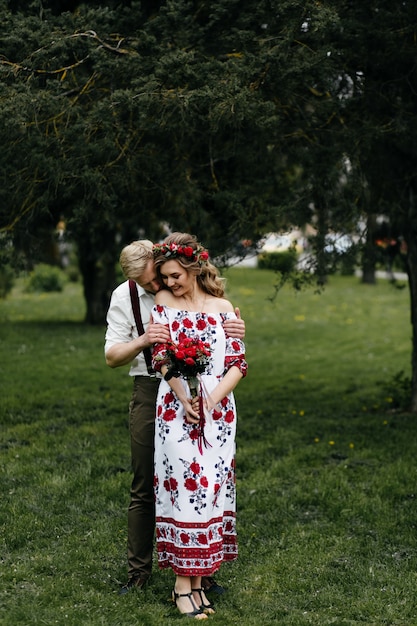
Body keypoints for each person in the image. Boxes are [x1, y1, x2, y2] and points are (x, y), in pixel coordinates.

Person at [104, 239, 245, 595]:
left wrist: (235, 330)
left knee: (200, 477)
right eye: (149, 284)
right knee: (144, 484)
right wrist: (143, 340)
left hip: (198, 390)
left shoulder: (180, 281)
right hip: (150, 388)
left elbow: (225, 346)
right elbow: (111, 356)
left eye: (160, 278)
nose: (159, 287)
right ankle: (139, 572)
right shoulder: (124, 298)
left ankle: (203, 572)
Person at [151, 233, 247, 619]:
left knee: (210, 489)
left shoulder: (223, 307)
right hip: (176, 409)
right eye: (165, 277)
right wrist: (183, 396)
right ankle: (181, 585)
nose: (169, 283)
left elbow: (238, 364)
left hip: (218, 411)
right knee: (183, 488)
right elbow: (160, 357)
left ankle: (200, 579)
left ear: (192, 268)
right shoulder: (163, 303)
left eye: (175, 275)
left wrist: (209, 400)